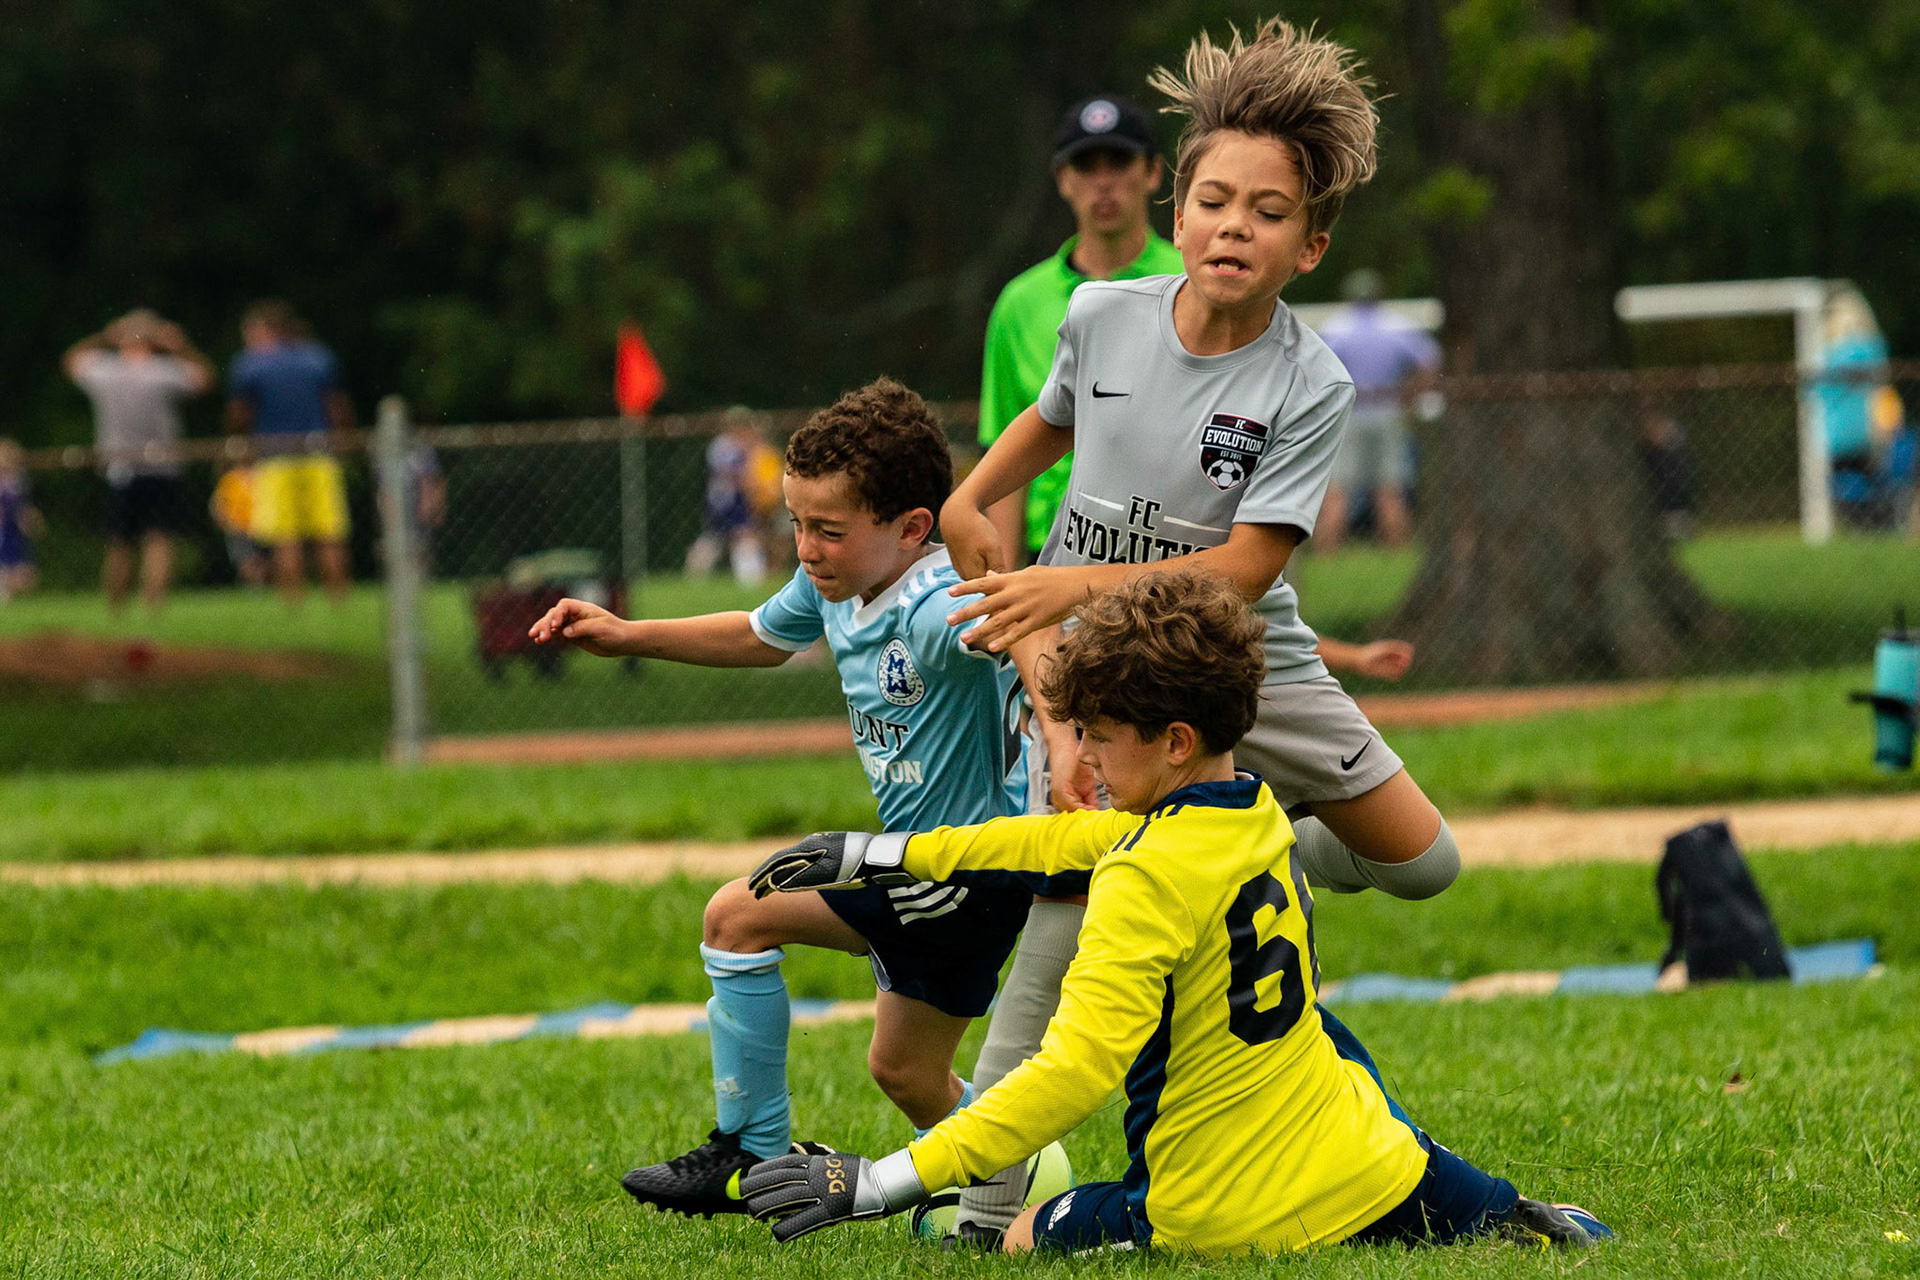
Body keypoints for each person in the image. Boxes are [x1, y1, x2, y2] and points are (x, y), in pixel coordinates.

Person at [935, 21, 1466, 1240]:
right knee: (1064, 929)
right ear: (1177, 212)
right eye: (1215, 199)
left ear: (1311, 244)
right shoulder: (1102, 320)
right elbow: (972, 507)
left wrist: (1066, 592)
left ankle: (1263, 847)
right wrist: (1046, 679)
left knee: (1425, 860)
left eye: (1268, 211)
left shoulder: (1311, 380)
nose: (1235, 225)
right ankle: (979, 1214)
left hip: (1249, 653)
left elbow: (1244, 568)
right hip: (1106, 674)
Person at [739, 570, 1611, 1254]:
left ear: (1175, 741)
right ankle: (1497, 1207)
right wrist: (879, 854)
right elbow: (1058, 846)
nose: (1083, 760)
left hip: (1212, 1213)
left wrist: (879, 1182)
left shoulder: (1142, 877)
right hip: (1368, 1165)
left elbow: (1071, 1075)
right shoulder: (1257, 809)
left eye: (1100, 737)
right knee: (1342, 1058)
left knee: (1013, 1238)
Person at [529, 378, 1074, 1216]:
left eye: (827, 529)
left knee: (737, 916)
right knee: (906, 1072)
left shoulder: (930, 605)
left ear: (911, 528)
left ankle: (752, 1152)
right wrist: (626, 634)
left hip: (962, 871)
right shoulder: (839, 586)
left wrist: (1062, 734)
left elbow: (1026, 618)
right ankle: (1027, 1187)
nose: (806, 547)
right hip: (928, 868)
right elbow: (758, 635)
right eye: (795, 523)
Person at [978, 94, 1184, 571]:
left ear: (1153, 173)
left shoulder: (1192, 281)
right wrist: (1005, 589)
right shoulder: (1019, 303)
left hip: (1166, 546)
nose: (1104, 181)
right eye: (1086, 165)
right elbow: (1002, 456)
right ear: (1063, 180)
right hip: (1048, 552)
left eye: (1119, 161)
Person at [63, 309, 215, 611]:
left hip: (120, 466)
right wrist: (181, 346)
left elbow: (71, 361)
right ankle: (154, 610)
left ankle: (115, 609)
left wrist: (104, 337)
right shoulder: (165, 371)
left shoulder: (105, 370)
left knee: (119, 541)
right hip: (162, 466)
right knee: (159, 539)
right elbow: (205, 379)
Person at [225, 300, 354, 603]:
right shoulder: (317, 358)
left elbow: (239, 414)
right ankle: (339, 603)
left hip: (274, 457)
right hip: (318, 453)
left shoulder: (250, 364)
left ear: (263, 330)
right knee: (329, 533)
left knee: (286, 536)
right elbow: (336, 406)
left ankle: (294, 605)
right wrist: (342, 443)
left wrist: (241, 446)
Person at [1313, 268, 1441, 553]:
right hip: (1388, 412)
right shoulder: (1395, 325)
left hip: (1349, 416)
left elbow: (1316, 368)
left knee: (1337, 490)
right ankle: (1396, 553)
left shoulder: (1337, 327)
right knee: (1391, 488)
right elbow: (1430, 360)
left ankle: (1326, 557)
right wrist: (1410, 393)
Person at [685, 408, 777, 585]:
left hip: (738, 499)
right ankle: (696, 575)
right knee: (717, 537)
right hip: (724, 500)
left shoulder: (744, 445)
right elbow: (734, 474)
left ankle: (750, 580)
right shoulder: (723, 445)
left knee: (741, 537)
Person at [0, 439, 43, 600]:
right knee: (20, 578)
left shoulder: (19, 482)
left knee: (28, 579)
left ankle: (3, 585)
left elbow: (22, 508)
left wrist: (31, 520)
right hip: (3, 534)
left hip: (15, 534)